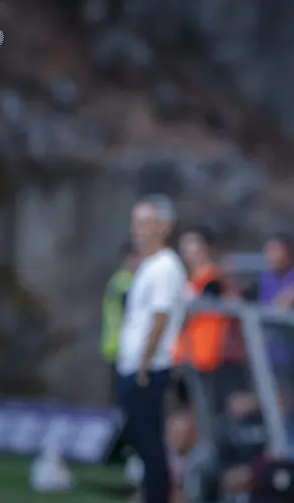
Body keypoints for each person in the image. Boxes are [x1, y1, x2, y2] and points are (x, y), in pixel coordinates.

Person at [118, 194, 188, 503]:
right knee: (140, 440)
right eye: (136, 222)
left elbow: (160, 317)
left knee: (150, 443)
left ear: (164, 227)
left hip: (149, 367)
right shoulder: (148, 265)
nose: (138, 229)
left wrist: (145, 363)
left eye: (146, 222)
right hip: (133, 364)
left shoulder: (166, 267)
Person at [101, 241, 139, 405]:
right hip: (121, 344)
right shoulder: (125, 282)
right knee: (121, 395)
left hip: (117, 344)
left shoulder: (120, 280)